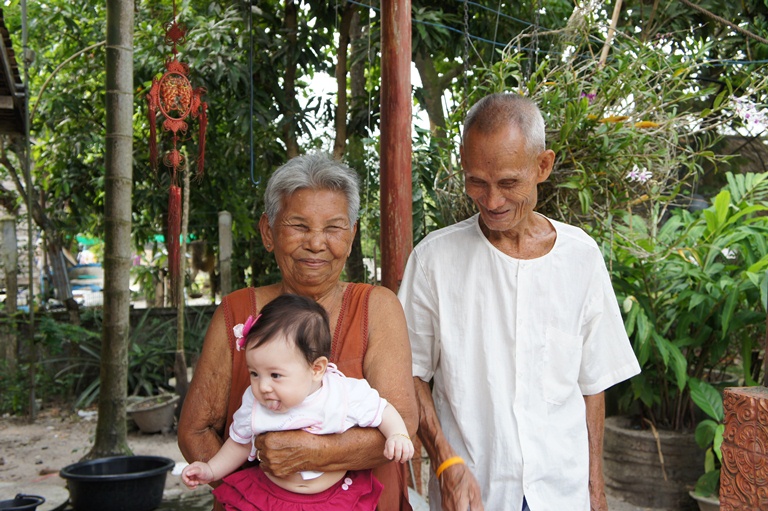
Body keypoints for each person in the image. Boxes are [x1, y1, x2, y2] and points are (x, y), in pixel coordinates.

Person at [397, 93, 641, 511]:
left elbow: (592, 384)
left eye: (509, 183)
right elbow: (410, 374)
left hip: (562, 492)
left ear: (543, 166)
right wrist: (445, 461)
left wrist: (594, 488)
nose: (492, 201)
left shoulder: (580, 257)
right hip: (473, 490)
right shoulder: (434, 259)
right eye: (477, 181)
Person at [178, 152, 418, 511]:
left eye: (334, 228)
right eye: (299, 226)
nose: (316, 243)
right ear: (268, 232)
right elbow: (194, 431)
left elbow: (402, 423)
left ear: (352, 235)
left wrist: (314, 453)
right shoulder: (237, 313)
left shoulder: (378, 307)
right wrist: (257, 497)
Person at [181, 294, 415, 509]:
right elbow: (239, 444)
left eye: (275, 375)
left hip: (334, 499)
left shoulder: (341, 393)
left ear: (316, 369)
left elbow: (382, 410)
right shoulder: (254, 402)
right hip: (271, 498)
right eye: (254, 373)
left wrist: (397, 434)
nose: (263, 386)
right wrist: (211, 469)